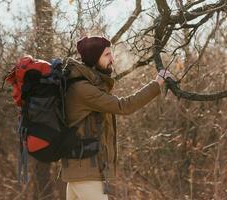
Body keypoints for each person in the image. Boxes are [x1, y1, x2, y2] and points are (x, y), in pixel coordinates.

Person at [61, 36, 173, 200]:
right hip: (85, 172)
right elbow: (124, 106)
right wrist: (156, 83)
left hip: (81, 171)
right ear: (94, 58)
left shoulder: (86, 84)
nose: (112, 59)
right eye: (107, 55)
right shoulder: (82, 89)